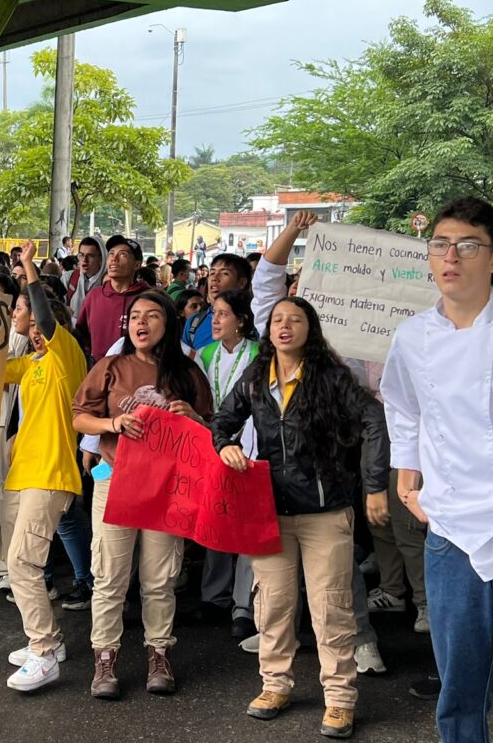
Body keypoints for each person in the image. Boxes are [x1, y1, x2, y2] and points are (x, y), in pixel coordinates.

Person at [212, 296, 390, 740]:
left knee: (332, 608)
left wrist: (374, 484)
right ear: (268, 330)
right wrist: (224, 445)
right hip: (269, 510)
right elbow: (222, 421)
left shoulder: (330, 377)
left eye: (295, 319)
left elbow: (375, 420)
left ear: (310, 329)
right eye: (277, 320)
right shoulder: (256, 377)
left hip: (325, 512)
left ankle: (340, 699)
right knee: (272, 606)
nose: (284, 326)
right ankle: (275, 686)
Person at [380, 196, 493, 743]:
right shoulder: (412, 337)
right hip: (452, 528)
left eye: (468, 245)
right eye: (441, 244)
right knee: (460, 688)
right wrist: (406, 474)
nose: (451, 255)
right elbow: (401, 406)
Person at [73, 290, 213, 699]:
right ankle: (105, 661)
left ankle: (159, 655)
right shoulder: (111, 365)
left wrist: (194, 418)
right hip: (115, 481)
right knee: (110, 576)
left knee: (159, 579)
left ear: (167, 324)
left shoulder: (186, 372)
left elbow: (211, 428)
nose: (142, 323)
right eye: (135, 315)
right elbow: (81, 416)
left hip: (169, 488)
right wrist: (113, 426)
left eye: (152, 316)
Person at [1, 241, 87, 692]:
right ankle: (46, 643)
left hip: (51, 476)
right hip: (25, 476)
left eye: (38, 322)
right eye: (28, 323)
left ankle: (44, 648)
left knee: (21, 564)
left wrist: (30, 271)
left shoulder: (65, 356)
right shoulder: (31, 364)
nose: (33, 327)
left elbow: (46, 317)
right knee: (17, 563)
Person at [194, 289, 259, 637]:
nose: (214, 321)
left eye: (222, 314)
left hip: (250, 446)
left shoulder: (260, 355)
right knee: (215, 518)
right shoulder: (203, 354)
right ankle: (214, 595)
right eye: (213, 314)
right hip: (213, 443)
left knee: (248, 525)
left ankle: (243, 607)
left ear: (242, 320)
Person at [76, 235, 149, 362]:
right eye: (111, 254)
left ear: (137, 264)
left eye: (122, 255)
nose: (114, 259)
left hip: (135, 373)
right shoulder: (94, 296)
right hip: (98, 372)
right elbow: (81, 335)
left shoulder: (150, 298)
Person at [182, 253, 252, 352]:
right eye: (212, 272)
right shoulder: (194, 323)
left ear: (241, 283)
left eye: (225, 273)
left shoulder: (256, 322)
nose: (215, 278)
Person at [62, 236, 105, 323]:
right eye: (81, 255)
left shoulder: (109, 283)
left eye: (90, 256)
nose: (84, 260)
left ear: (101, 258)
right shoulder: (69, 278)